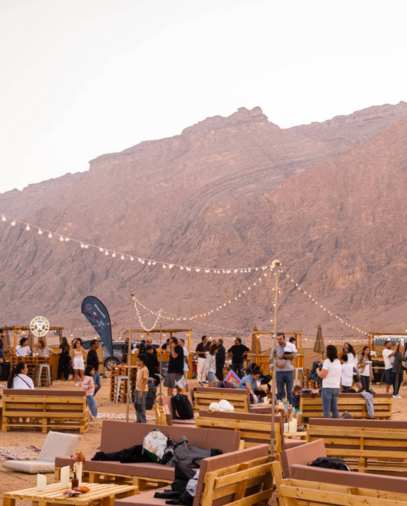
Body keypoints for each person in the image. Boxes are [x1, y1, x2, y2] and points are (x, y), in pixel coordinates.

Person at [318, 345, 342, 418]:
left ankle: (326, 424)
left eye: (326, 351)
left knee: (326, 410)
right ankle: (337, 423)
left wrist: (317, 371)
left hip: (327, 387)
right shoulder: (338, 361)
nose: (325, 352)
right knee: (334, 409)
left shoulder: (327, 361)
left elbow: (322, 375)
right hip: (336, 387)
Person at [275, 333, 295, 404]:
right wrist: (276, 363)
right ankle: (283, 407)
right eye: (278, 339)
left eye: (280, 339)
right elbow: (271, 358)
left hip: (289, 371)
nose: (279, 341)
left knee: (290, 391)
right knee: (280, 392)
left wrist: (283, 357)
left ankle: (290, 407)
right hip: (278, 372)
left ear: (284, 338)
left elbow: (293, 356)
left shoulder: (290, 346)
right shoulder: (275, 348)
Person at [134, 356, 149, 423]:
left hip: (142, 390)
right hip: (137, 389)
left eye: (138, 361)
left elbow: (145, 380)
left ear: (142, 361)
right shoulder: (139, 368)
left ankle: (143, 420)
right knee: (137, 404)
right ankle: (138, 419)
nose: (137, 362)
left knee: (141, 405)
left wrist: (142, 391)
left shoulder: (145, 369)